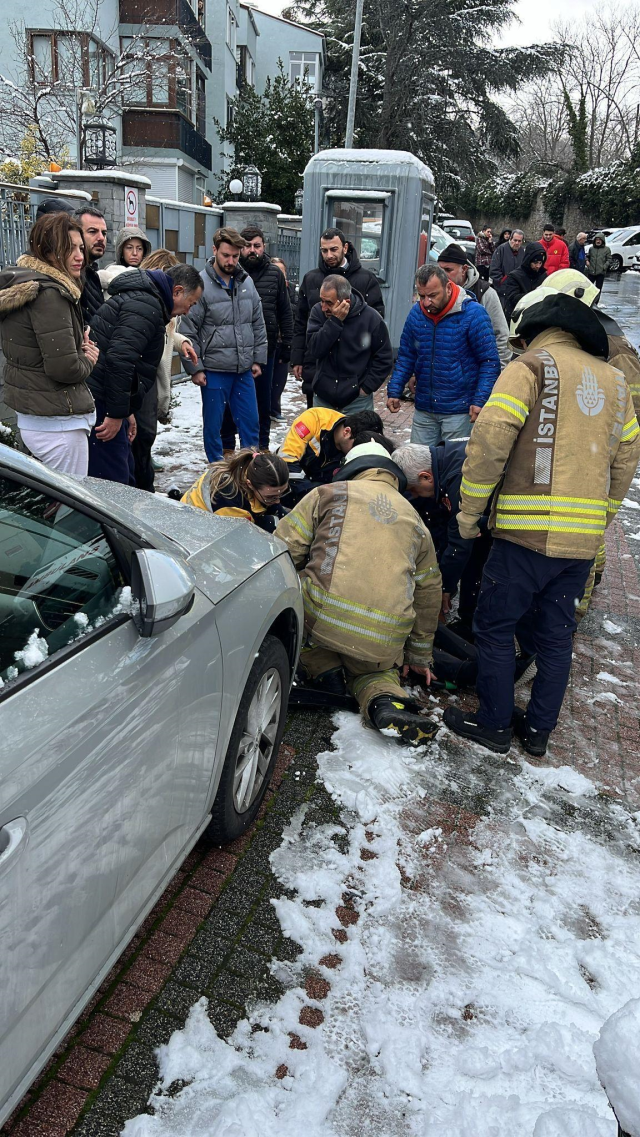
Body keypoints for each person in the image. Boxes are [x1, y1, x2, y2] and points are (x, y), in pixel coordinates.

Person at [444, 292, 640, 757]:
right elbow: (627, 458)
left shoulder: (530, 368)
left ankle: (492, 724)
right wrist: (601, 516)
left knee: (493, 629)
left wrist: (469, 515)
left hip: (523, 537)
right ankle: (537, 733)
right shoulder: (615, 383)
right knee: (555, 637)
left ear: (533, 333)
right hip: (580, 543)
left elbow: (489, 443)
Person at [275, 440, 442, 744]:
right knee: (377, 673)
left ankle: (325, 672)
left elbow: (283, 550)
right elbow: (429, 589)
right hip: (384, 637)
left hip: (324, 621)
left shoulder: (327, 494)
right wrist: (419, 654)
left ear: (351, 469)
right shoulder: (416, 521)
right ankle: (384, 701)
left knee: (299, 590)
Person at [0, 212, 99, 475]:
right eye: (69, 249)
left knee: (45, 509)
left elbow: (36, 351)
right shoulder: (50, 294)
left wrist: (75, 345)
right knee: (69, 510)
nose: (80, 256)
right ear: (48, 252)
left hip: (39, 418)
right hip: (59, 428)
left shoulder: (26, 283)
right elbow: (64, 369)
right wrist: (88, 359)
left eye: (80, 248)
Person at [87, 263, 202, 484]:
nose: (188, 311)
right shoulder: (146, 305)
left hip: (106, 399)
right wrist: (114, 414)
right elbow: (120, 361)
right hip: (101, 401)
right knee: (112, 481)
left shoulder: (148, 301)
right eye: (190, 303)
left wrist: (126, 411)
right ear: (177, 291)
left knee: (125, 470)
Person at [179, 227, 267, 462]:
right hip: (214, 371)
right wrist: (195, 368)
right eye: (226, 255)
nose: (231, 261)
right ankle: (216, 471)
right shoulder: (201, 284)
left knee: (251, 424)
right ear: (215, 250)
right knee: (214, 428)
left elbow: (257, 322)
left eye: (235, 256)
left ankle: (251, 469)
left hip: (243, 370)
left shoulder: (247, 282)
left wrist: (258, 358)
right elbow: (187, 330)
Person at [387, 264, 500, 444]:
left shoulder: (473, 314)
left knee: (453, 468)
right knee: (419, 465)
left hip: (460, 410)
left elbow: (489, 362)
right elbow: (407, 355)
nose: (426, 302)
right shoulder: (417, 314)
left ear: (448, 288)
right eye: (421, 295)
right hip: (425, 407)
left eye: (432, 295)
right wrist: (395, 389)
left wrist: (480, 399)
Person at [292, 227, 385, 409]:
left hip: (354, 368)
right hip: (318, 365)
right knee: (320, 428)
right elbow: (301, 321)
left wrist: (366, 385)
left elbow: (377, 322)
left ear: (345, 248)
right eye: (324, 250)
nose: (328, 255)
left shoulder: (365, 279)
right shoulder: (311, 279)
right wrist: (297, 358)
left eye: (333, 249)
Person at [220, 227, 293, 453]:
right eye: (248, 246)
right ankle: (229, 450)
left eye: (257, 246)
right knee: (230, 405)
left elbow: (285, 311)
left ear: (264, 247)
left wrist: (288, 345)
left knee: (263, 402)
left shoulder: (275, 274)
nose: (252, 250)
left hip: (265, 350)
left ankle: (261, 447)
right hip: (232, 350)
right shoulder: (231, 272)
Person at [306, 275, 393, 413]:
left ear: (345, 302)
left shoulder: (371, 318)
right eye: (321, 301)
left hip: (357, 401)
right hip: (323, 397)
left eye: (329, 303)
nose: (323, 307)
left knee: (358, 435)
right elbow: (315, 349)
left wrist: (366, 388)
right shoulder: (318, 312)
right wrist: (334, 322)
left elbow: (384, 358)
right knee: (323, 435)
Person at [279, 407, 384, 498]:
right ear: (347, 432)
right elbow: (286, 462)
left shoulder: (361, 440)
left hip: (324, 489)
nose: (358, 451)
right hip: (288, 487)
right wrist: (313, 497)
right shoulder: (314, 418)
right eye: (357, 446)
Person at [437, 242, 511, 367]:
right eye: (440, 270)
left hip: (476, 374)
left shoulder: (485, 293)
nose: (442, 275)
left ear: (464, 269)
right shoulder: (434, 293)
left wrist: (499, 372)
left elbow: (501, 335)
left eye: (448, 270)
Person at [181, 450, 290, 531]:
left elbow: (277, 508)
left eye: (283, 493)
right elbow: (240, 540)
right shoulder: (229, 499)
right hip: (192, 528)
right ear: (250, 485)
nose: (278, 501)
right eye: (271, 497)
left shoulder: (254, 469)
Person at [270, 257, 297, 422]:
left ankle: (275, 408)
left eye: (281, 271)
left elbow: (296, 308)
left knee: (280, 379)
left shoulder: (291, 289)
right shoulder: (266, 288)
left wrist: (284, 305)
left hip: (284, 341)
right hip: (270, 340)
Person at [74, 204, 108, 322]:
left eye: (104, 233)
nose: (101, 238)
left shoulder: (91, 274)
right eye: (93, 231)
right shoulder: (72, 274)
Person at [98, 226, 152, 296]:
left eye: (139, 248)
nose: (135, 253)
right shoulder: (109, 271)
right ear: (121, 250)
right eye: (129, 248)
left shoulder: (150, 274)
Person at [502, 242, 547, 322]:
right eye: (535, 263)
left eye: (540, 263)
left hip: (537, 317)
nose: (538, 266)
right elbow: (513, 298)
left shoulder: (542, 275)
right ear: (528, 261)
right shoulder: (515, 276)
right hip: (517, 317)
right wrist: (535, 295)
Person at [489, 229, 525, 304]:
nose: (517, 243)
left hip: (516, 291)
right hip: (502, 291)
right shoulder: (501, 249)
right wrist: (503, 282)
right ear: (510, 239)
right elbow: (494, 269)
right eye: (515, 240)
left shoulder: (522, 251)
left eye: (519, 241)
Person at [586, 232, 612, 298]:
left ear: (602, 240)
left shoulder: (607, 249)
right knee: (589, 288)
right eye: (597, 239)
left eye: (600, 240)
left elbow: (609, 259)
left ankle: (596, 303)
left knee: (598, 289)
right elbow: (588, 256)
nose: (598, 241)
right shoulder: (591, 249)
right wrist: (587, 261)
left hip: (600, 272)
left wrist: (604, 267)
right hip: (591, 272)